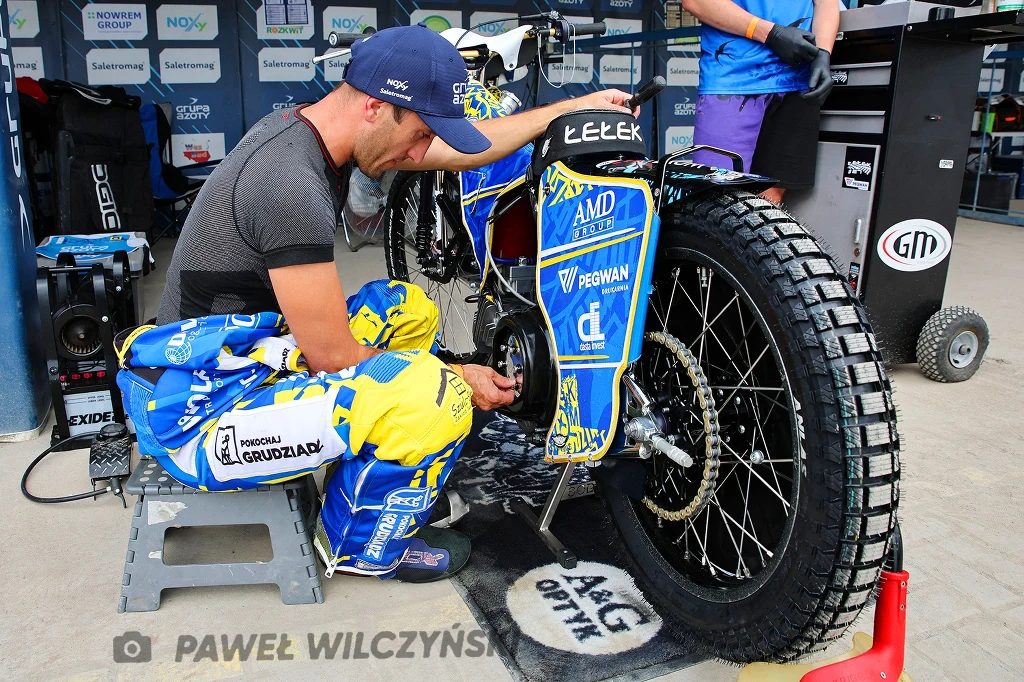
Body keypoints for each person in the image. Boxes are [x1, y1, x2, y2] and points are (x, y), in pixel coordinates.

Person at [115, 23, 634, 583]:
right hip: (194, 409)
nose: (420, 152)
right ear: (376, 107)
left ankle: (383, 467)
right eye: (418, 134)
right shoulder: (288, 185)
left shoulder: (314, 131)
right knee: (435, 396)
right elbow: (333, 356)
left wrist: (569, 110)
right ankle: (358, 545)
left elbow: (464, 151)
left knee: (405, 308)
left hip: (243, 353)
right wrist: (459, 377)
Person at [683, 0, 839, 204]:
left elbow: (827, 3)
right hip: (734, 81)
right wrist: (770, 33)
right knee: (716, 199)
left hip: (798, 79)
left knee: (771, 202)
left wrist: (823, 52)